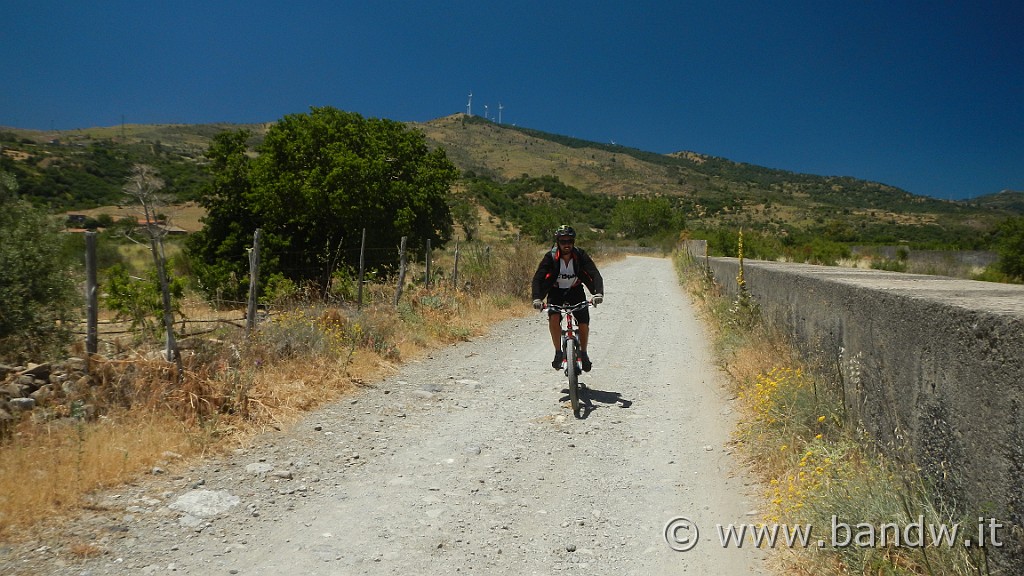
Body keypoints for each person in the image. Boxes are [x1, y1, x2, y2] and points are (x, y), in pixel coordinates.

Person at [531, 225, 604, 371]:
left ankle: (583, 353)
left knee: (583, 323)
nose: (566, 244)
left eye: (569, 241)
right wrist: (537, 298)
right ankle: (558, 352)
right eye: (563, 241)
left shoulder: (580, 255)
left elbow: (594, 273)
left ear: (573, 242)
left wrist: (598, 293)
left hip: (575, 290)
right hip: (556, 292)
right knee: (554, 318)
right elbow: (538, 278)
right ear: (558, 242)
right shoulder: (550, 257)